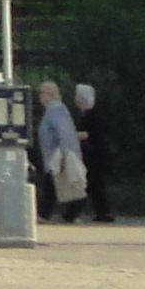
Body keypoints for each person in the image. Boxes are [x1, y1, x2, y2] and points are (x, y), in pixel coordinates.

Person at [36, 78, 87, 224]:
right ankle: (68, 214)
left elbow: (63, 131)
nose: (40, 96)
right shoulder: (53, 109)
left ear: (50, 94)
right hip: (54, 155)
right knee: (56, 183)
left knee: (55, 183)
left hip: (57, 155)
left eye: (42, 92)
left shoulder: (55, 108)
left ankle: (49, 214)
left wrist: (65, 152)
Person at [73, 79, 114, 221]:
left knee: (91, 183)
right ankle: (102, 211)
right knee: (94, 184)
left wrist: (77, 135)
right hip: (93, 153)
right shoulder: (88, 113)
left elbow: (91, 133)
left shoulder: (90, 115)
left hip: (92, 154)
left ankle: (75, 212)